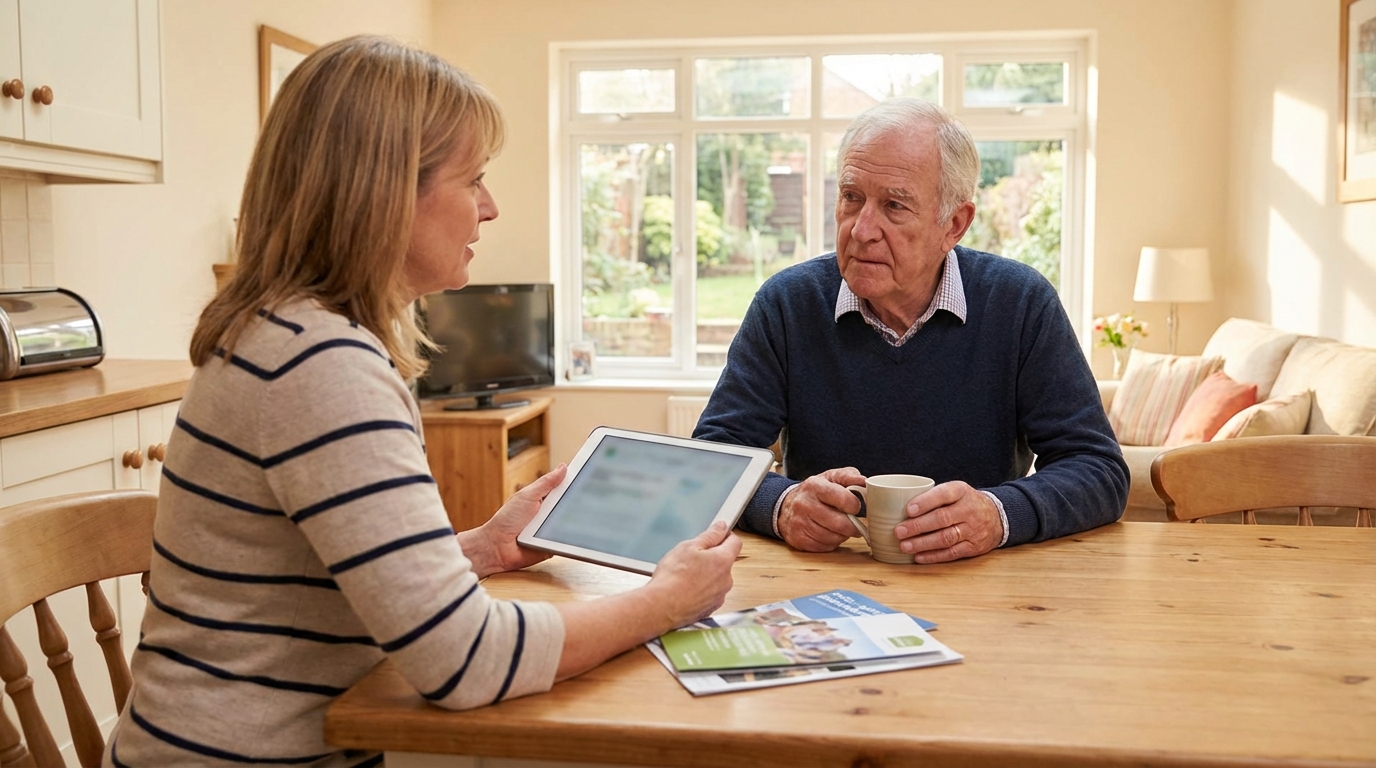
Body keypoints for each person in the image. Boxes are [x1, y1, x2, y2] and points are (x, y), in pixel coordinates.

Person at [104, 36, 740, 767]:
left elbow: (329, 579)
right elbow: (467, 662)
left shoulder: (284, 333)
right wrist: (668, 602)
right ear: (385, 194)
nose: (491, 207)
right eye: (473, 180)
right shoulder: (321, 365)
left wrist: (479, 549)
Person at [694, 97, 1127, 564]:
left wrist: (998, 515)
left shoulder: (1019, 302)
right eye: (851, 197)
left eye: (894, 206)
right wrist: (781, 506)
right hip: (823, 578)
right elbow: (711, 460)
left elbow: (1099, 470)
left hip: (981, 581)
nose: (861, 230)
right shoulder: (787, 303)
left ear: (954, 225)